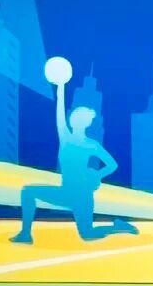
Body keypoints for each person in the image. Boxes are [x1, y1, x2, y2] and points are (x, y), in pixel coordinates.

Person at [11, 75, 137, 243]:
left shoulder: (90, 144)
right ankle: (25, 234)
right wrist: (61, 87)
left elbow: (113, 164)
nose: (72, 118)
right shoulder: (66, 137)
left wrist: (95, 175)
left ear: (81, 122)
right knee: (28, 191)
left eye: (76, 117)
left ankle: (119, 226)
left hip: (83, 195)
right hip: (66, 192)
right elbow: (59, 113)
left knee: (88, 235)